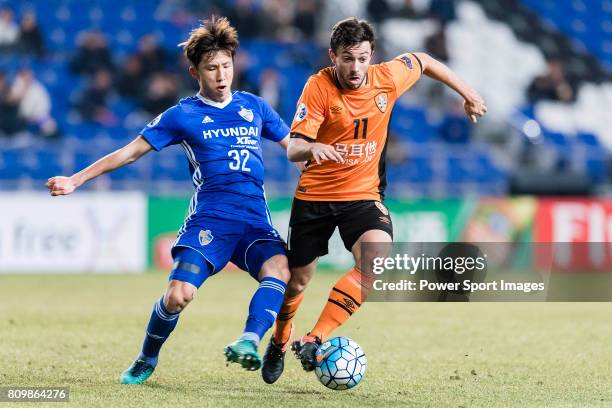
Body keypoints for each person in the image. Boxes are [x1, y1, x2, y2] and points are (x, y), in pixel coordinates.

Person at [47, 16, 293, 384]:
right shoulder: (183, 115)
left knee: (280, 272)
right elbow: (130, 153)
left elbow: (294, 147)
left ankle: (248, 341)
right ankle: (147, 357)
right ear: (195, 72)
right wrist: (76, 179)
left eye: (226, 66)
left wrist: (325, 152)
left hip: (254, 220)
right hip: (210, 220)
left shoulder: (254, 106)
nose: (222, 75)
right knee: (178, 296)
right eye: (212, 68)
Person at [260, 17, 486, 384]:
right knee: (298, 282)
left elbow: (425, 60)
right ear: (333, 55)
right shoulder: (318, 87)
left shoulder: (387, 78)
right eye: (348, 58)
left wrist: (468, 93)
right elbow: (294, 148)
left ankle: (316, 337)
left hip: (363, 195)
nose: (355, 68)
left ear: (372, 56)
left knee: (374, 259)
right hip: (316, 197)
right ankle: (281, 339)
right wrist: (313, 148)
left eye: (363, 58)